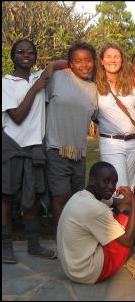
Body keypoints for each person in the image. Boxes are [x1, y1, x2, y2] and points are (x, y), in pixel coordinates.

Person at [2, 39, 58, 263]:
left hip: (34, 148)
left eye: (31, 52)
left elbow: (64, 63)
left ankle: (34, 244)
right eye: (20, 51)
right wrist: (36, 88)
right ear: (13, 56)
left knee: (32, 197)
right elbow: (16, 116)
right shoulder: (6, 83)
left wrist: (52, 67)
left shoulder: (39, 77)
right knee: (6, 197)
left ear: (36, 57)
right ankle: (6, 247)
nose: (26, 55)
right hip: (11, 146)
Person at [57, 162, 135, 284]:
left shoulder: (80, 196)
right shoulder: (96, 209)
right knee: (126, 218)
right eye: (106, 181)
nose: (111, 187)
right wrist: (133, 203)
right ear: (92, 180)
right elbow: (128, 241)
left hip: (72, 269)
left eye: (114, 182)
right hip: (87, 272)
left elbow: (119, 203)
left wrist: (131, 202)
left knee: (116, 217)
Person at [45, 42, 98, 227]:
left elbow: (97, 116)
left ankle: (73, 238)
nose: (84, 65)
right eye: (78, 61)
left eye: (88, 60)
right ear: (70, 63)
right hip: (56, 148)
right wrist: (53, 65)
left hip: (79, 153)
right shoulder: (57, 78)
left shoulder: (93, 88)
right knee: (60, 196)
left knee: (76, 198)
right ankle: (61, 242)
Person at [95, 43, 135, 192]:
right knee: (120, 190)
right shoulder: (94, 85)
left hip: (134, 142)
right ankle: (114, 215)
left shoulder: (133, 84)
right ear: (101, 60)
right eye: (108, 56)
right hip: (111, 142)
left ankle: (125, 216)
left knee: (131, 188)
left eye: (116, 57)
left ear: (122, 60)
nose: (112, 60)